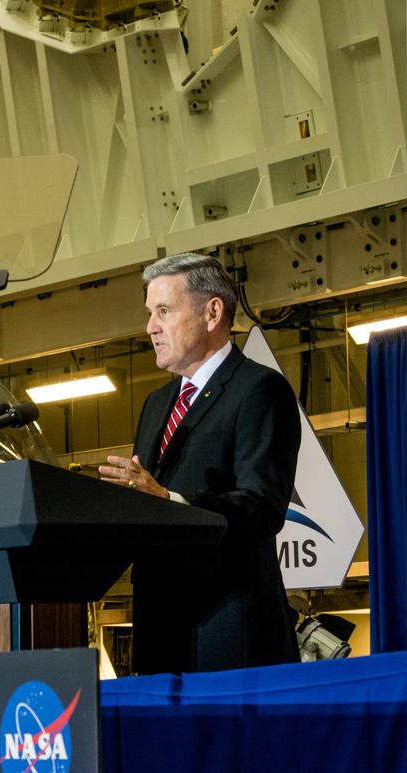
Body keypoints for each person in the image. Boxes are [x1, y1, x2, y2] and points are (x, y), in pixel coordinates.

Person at [99, 252, 301, 673]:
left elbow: (262, 507)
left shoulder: (259, 390)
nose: (150, 326)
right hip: (160, 627)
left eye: (164, 311)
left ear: (212, 312)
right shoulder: (157, 405)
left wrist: (169, 499)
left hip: (226, 628)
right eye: (150, 313)